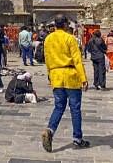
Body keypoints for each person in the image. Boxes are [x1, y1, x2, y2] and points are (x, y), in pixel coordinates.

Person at [41, 16, 89, 152]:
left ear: (55, 25)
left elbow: (48, 59)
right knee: (75, 108)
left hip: (56, 75)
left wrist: (50, 75)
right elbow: (77, 59)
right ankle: (77, 138)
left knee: (59, 107)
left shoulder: (48, 39)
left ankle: (50, 130)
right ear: (66, 25)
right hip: (71, 75)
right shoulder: (70, 38)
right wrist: (83, 78)